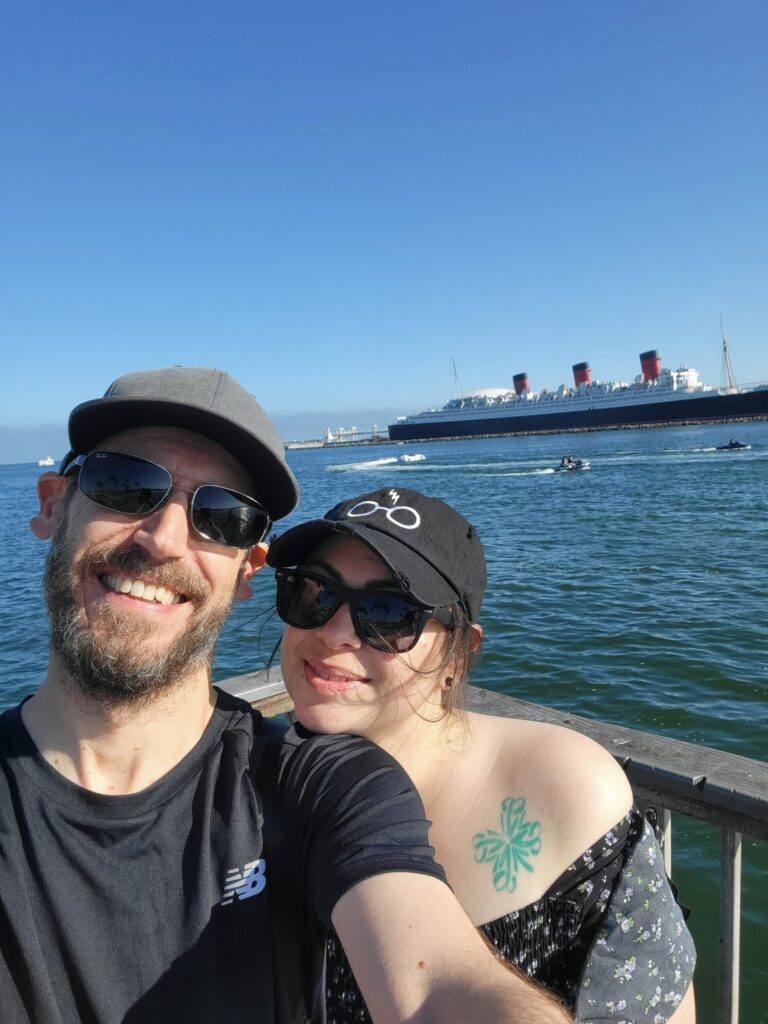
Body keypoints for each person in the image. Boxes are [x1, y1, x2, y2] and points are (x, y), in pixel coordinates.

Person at [0, 367, 570, 1024]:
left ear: (248, 569)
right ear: (51, 504)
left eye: (222, 517)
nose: (161, 539)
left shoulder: (323, 785)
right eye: (122, 485)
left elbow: (436, 985)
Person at [267, 486, 697, 1024]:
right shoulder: (245, 779)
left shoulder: (566, 788)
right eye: (314, 593)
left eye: (388, 612)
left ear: (458, 655)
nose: (333, 632)